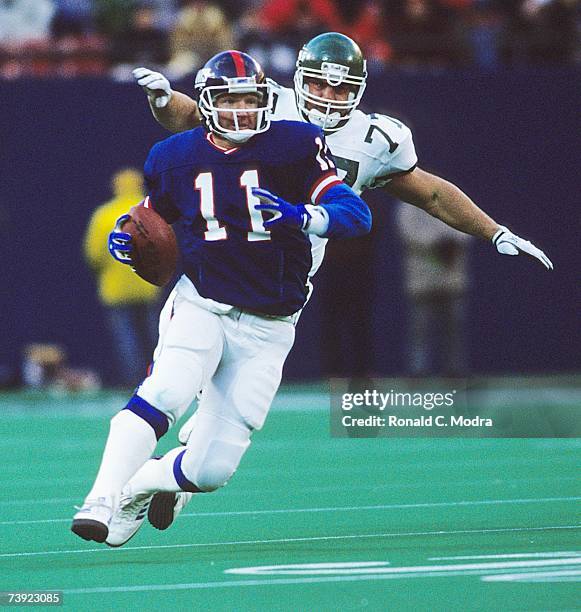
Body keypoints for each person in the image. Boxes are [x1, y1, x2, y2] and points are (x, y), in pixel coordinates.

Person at [131, 32, 553, 530]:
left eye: (340, 89)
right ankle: (163, 471)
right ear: (297, 81)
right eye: (319, 86)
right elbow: (191, 116)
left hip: (285, 279)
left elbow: (432, 194)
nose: (328, 98)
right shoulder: (266, 102)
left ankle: (173, 475)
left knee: (230, 401)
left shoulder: (375, 140)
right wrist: (164, 100)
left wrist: (494, 230)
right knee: (201, 379)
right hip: (222, 261)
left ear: (360, 89)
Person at [71, 50, 371, 545]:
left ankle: (144, 482)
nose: (241, 111)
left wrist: (303, 217)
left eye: (251, 100)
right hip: (202, 302)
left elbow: (355, 213)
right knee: (165, 392)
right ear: (207, 104)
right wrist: (125, 237)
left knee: (212, 470)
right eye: (228, 100)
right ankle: (100, 498)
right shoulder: (174, 157)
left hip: (271, 325)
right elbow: (151, 217)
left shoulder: (294, 145)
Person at [83, 168, 161, 387]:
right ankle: (158, 377)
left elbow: (93, 254)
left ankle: (133, 382)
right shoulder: (150, 212)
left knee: (127, 339)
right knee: (156, 335)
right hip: (147, 284)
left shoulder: (104, 215)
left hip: (115, 288)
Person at [396, 200, 471, 376]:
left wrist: (450, 243)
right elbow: (408, 233)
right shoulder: (409, 207)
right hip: (422, 277)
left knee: (453, 327)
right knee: (419, 328)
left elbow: (467, 227)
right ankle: (418, 370)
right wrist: (436, 244)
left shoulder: (453, 200)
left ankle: (455, 370)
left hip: (450, 276)